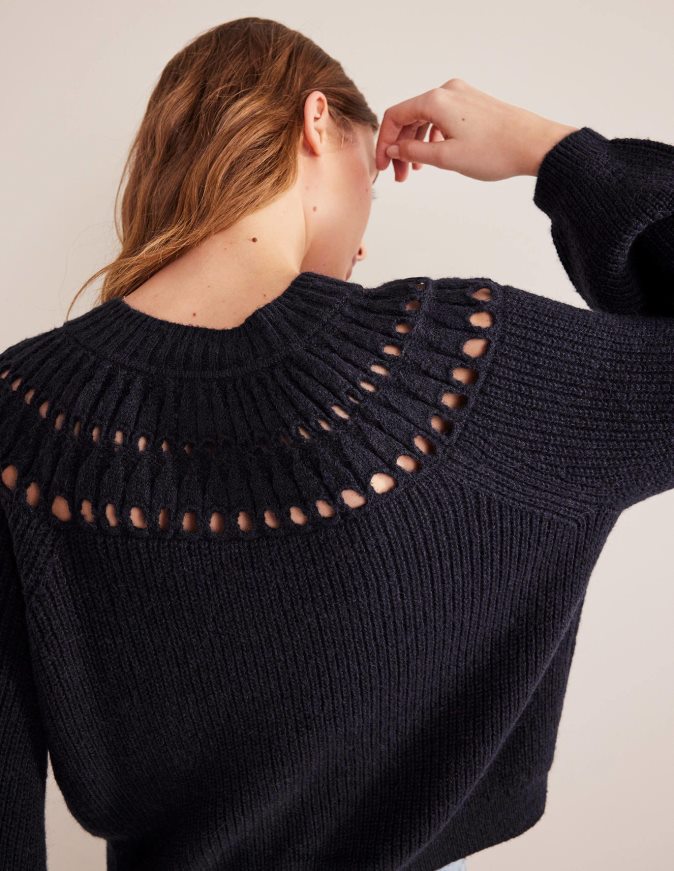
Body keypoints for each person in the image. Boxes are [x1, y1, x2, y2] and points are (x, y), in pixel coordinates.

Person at [0, 15, 672, 871]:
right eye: (373, 185)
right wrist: (553, 152)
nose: (363, 243)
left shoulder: (19, 420)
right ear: (317, 120)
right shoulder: (465, 371)